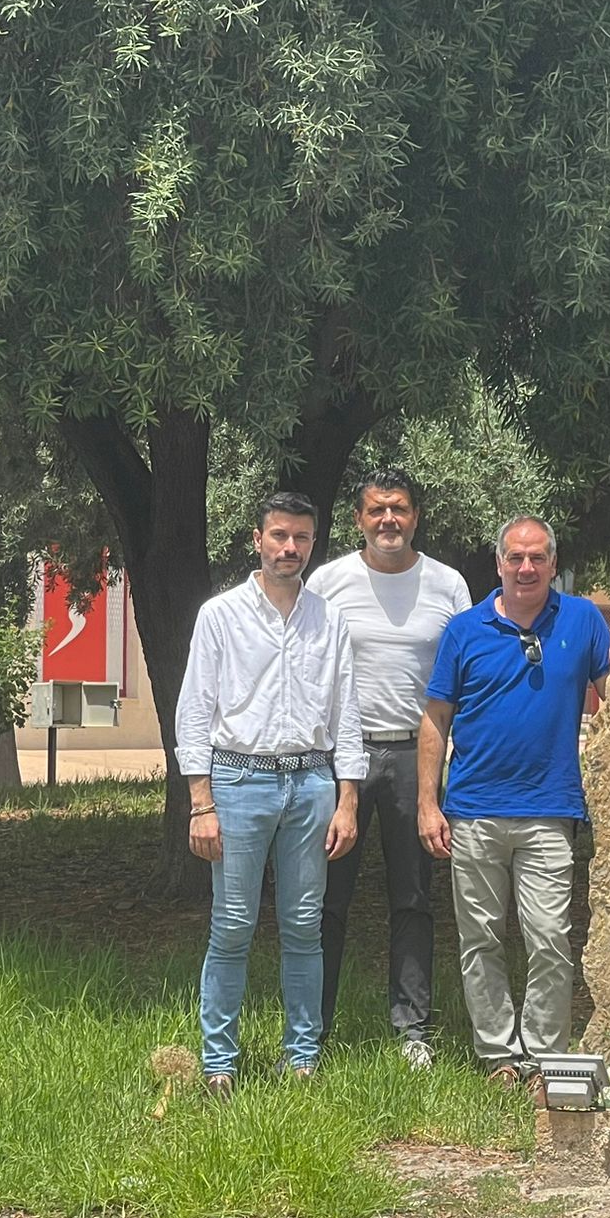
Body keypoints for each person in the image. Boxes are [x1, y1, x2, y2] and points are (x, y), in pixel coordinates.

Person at [417, 516, 610, 1101]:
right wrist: (427, 803)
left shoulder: (583, 620)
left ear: (552, 563)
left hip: (550, 810)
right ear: (498, 564)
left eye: (537, 558)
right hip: (473, 812)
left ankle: (546, 1056)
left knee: (549, 938)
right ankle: (497, 1052)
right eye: (515, 557)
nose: (526, 568)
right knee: (481, 941)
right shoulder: (465, 631)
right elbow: (436, 720)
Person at [176, 492, 364, 1099]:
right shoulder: (219, 615)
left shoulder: (328, 619)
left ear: (314, 544)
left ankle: (302, 1060)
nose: (290, 548)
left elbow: (347, 715)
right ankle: (219, 1066)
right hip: (237, 781)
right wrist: (201, 803)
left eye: (302, 539)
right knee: (231, 926)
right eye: (279, 536)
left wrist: (348, 799)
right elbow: (194, 712)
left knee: (304, 926)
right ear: (257, 540)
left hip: (311, 783)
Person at [307, 467, 472, 1069]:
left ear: (415, 516)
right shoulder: (328, 582)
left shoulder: (448, 585)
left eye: (399, 509)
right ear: (359, 519)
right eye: (376, 511)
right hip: (339, 758)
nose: (388, 521)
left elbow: (465, 674)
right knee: (325, 899)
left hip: (414, 756)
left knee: (413, 898)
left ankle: (413, 1031)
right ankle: (311, 1030)